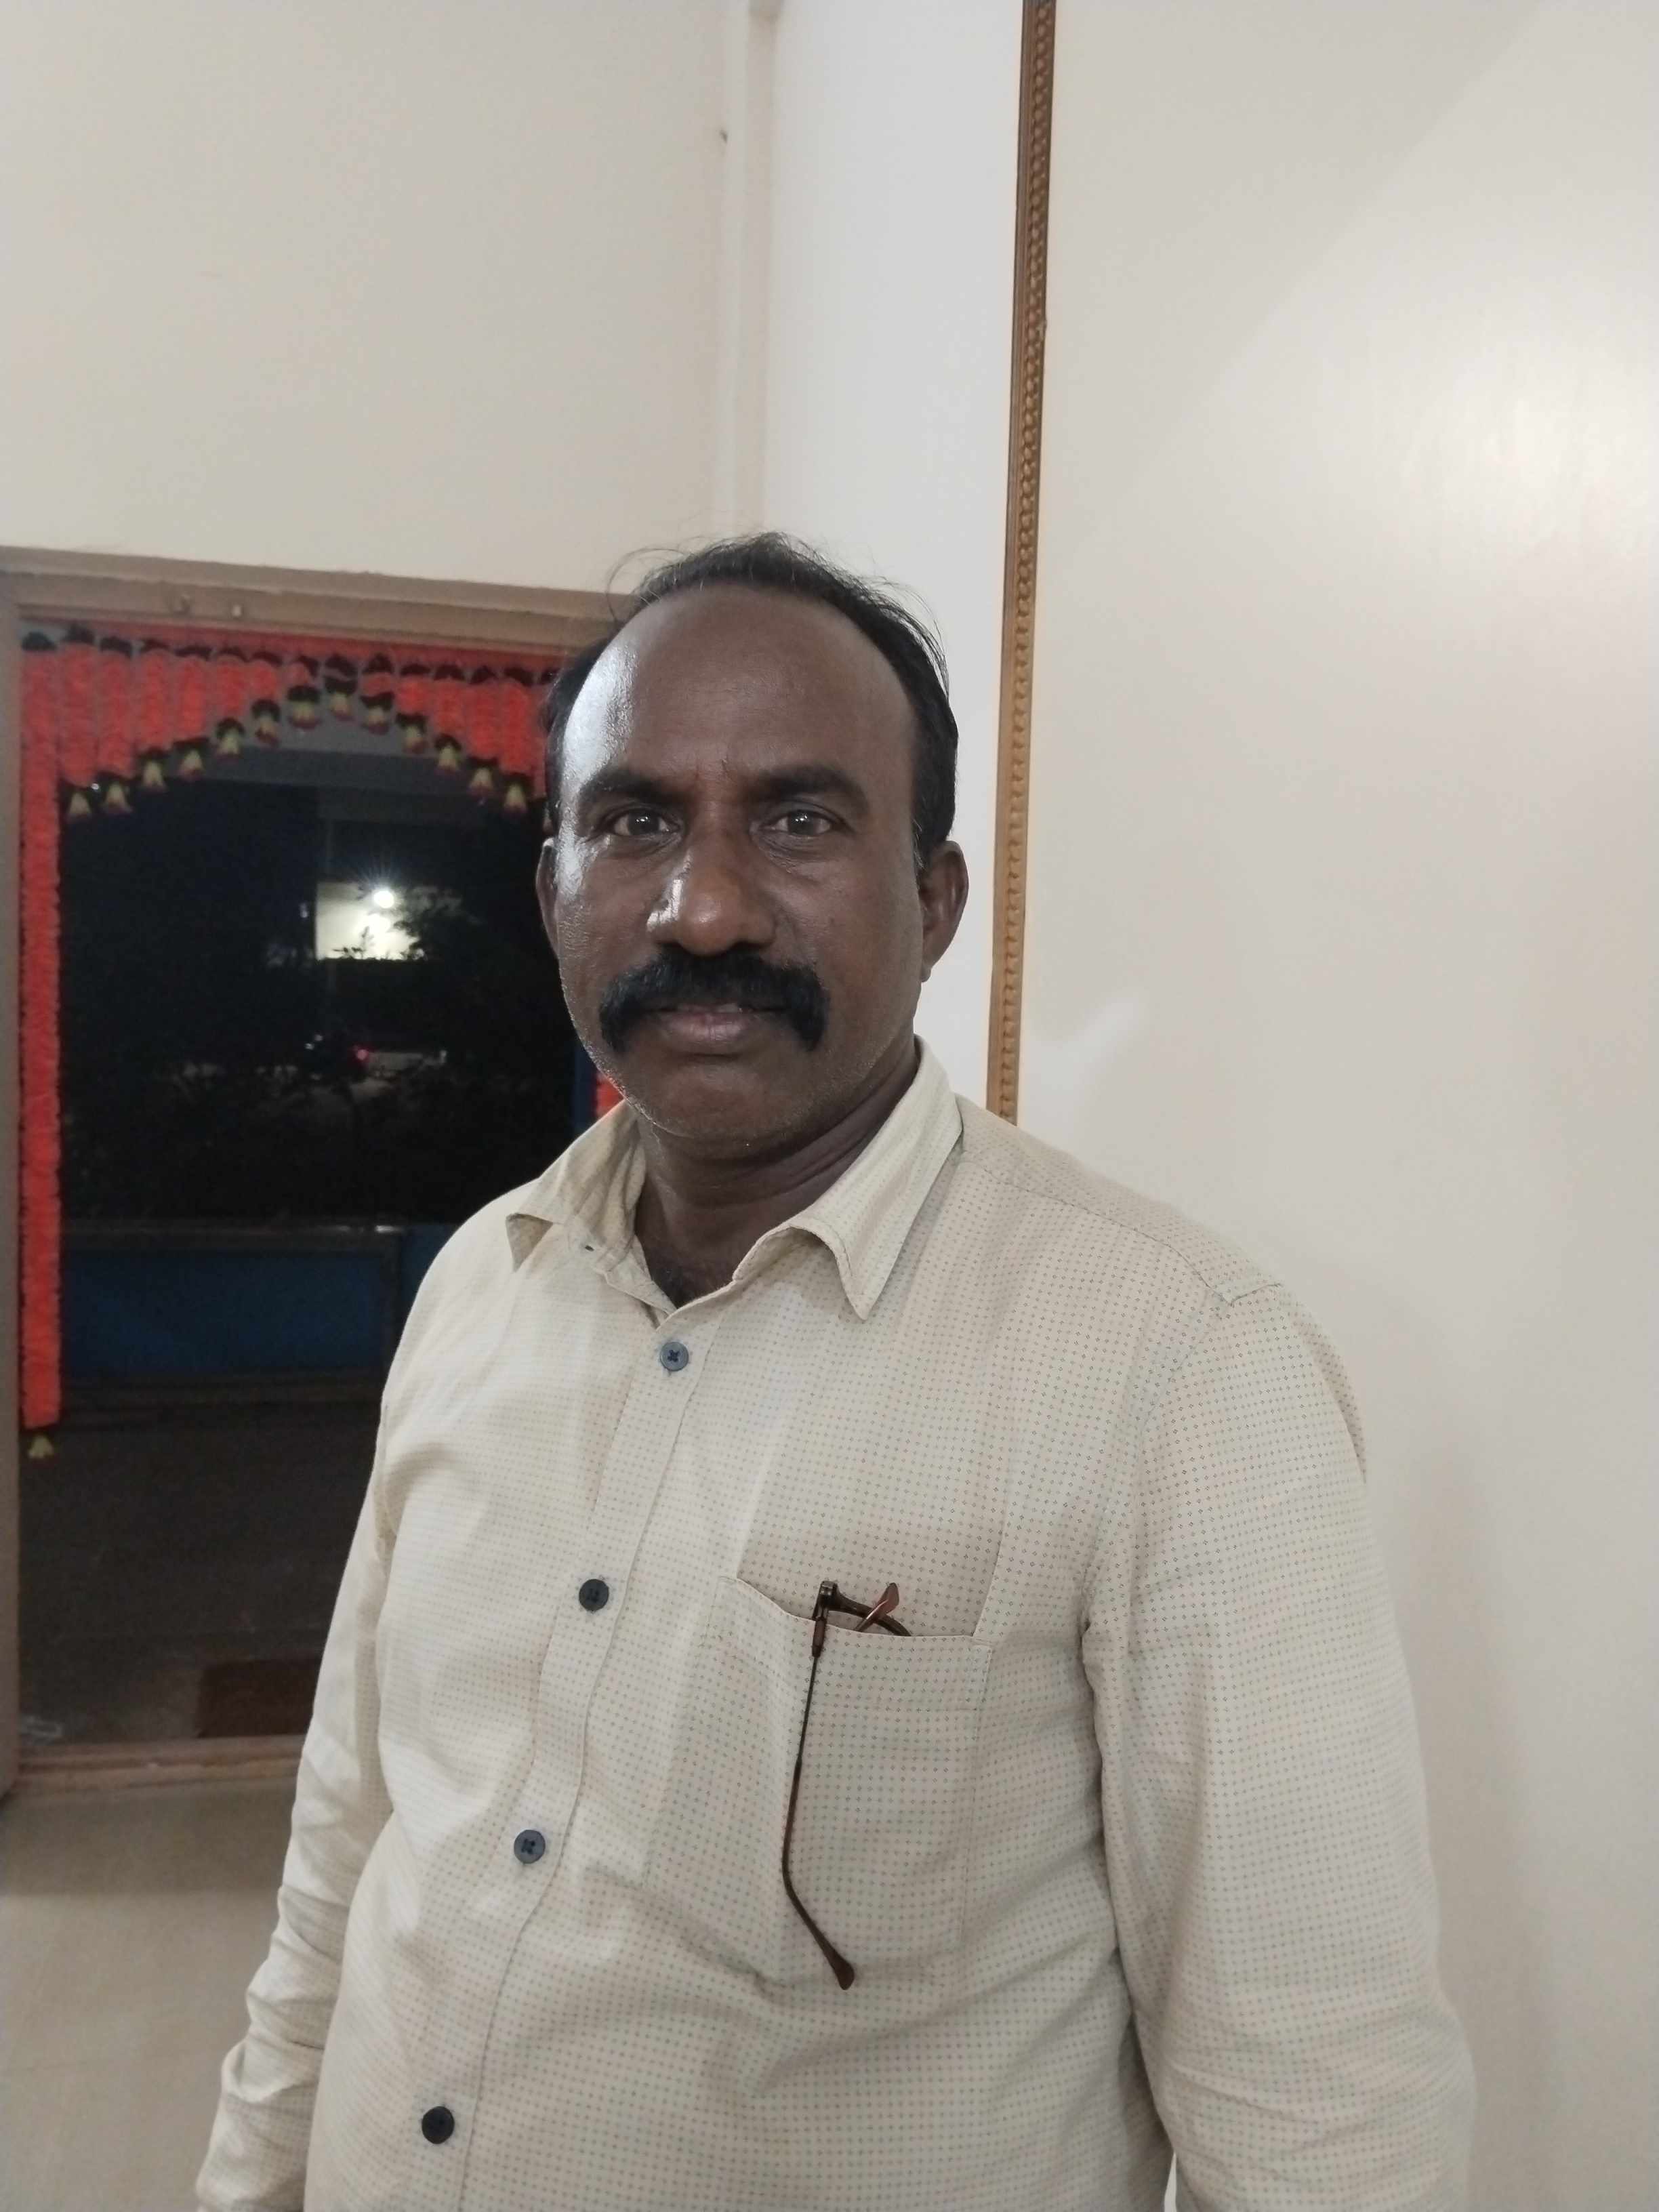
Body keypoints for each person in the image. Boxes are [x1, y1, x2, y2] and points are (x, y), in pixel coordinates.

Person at [198, 534, 1474, 2211]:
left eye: (799, 822)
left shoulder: (1180, 1373)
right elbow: (352, 1847)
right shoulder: (479, 1287)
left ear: (933, 903)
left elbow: (1324, 2110)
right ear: (556, 888)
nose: (704, 907)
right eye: (634, 822)